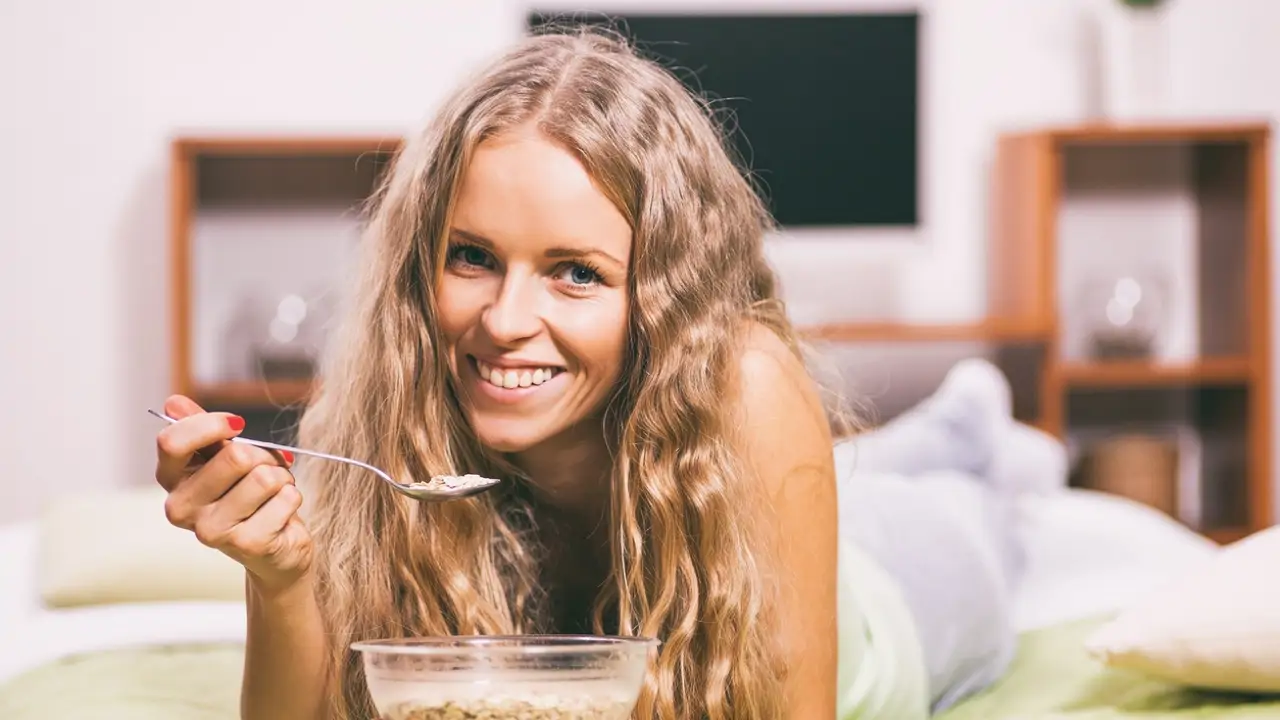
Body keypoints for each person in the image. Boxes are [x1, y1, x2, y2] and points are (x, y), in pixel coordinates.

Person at [154, 26, 1039, 720]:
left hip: (901, 601)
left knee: (979, 499)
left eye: (576, 272)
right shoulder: (391, 401)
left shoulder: (746, 385)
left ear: (663, 297)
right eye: (471, 257)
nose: (503, 322)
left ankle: (978, 428)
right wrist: (280, 578)